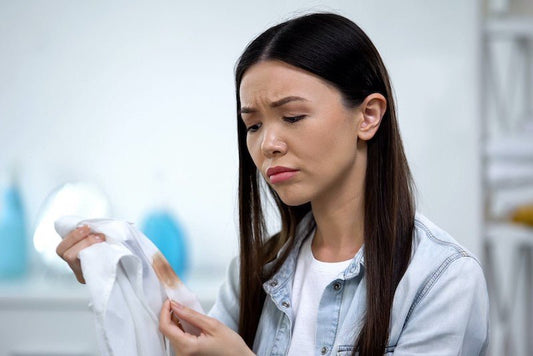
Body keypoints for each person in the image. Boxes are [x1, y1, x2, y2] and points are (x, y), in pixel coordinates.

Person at [57, 12, 489, 356]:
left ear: (369, 116)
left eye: (293, 117)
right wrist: (117, 278)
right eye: (253, 125)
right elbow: (181, 347)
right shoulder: (260, 268)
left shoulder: (443, 280)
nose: (268, 145)